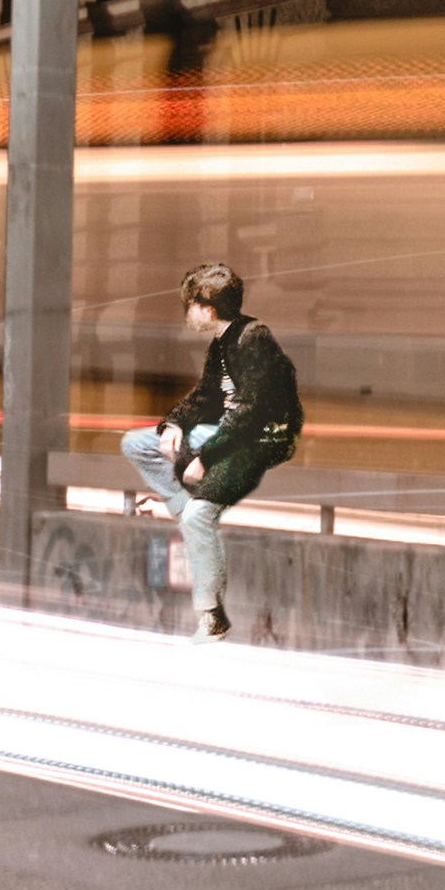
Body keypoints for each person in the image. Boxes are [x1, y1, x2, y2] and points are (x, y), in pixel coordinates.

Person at [120, 263, 302, 641]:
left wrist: (206, 456)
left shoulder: (254, 338)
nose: (188, 313)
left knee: (200, 517)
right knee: (137, 443)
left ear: (208, 307)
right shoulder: (222, 342)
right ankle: (180, 504)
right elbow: (205, 397)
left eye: (191, 305)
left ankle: (211, 615)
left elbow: (252, 412)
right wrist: (173, 425)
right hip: (226, 432)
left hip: (259, 440)